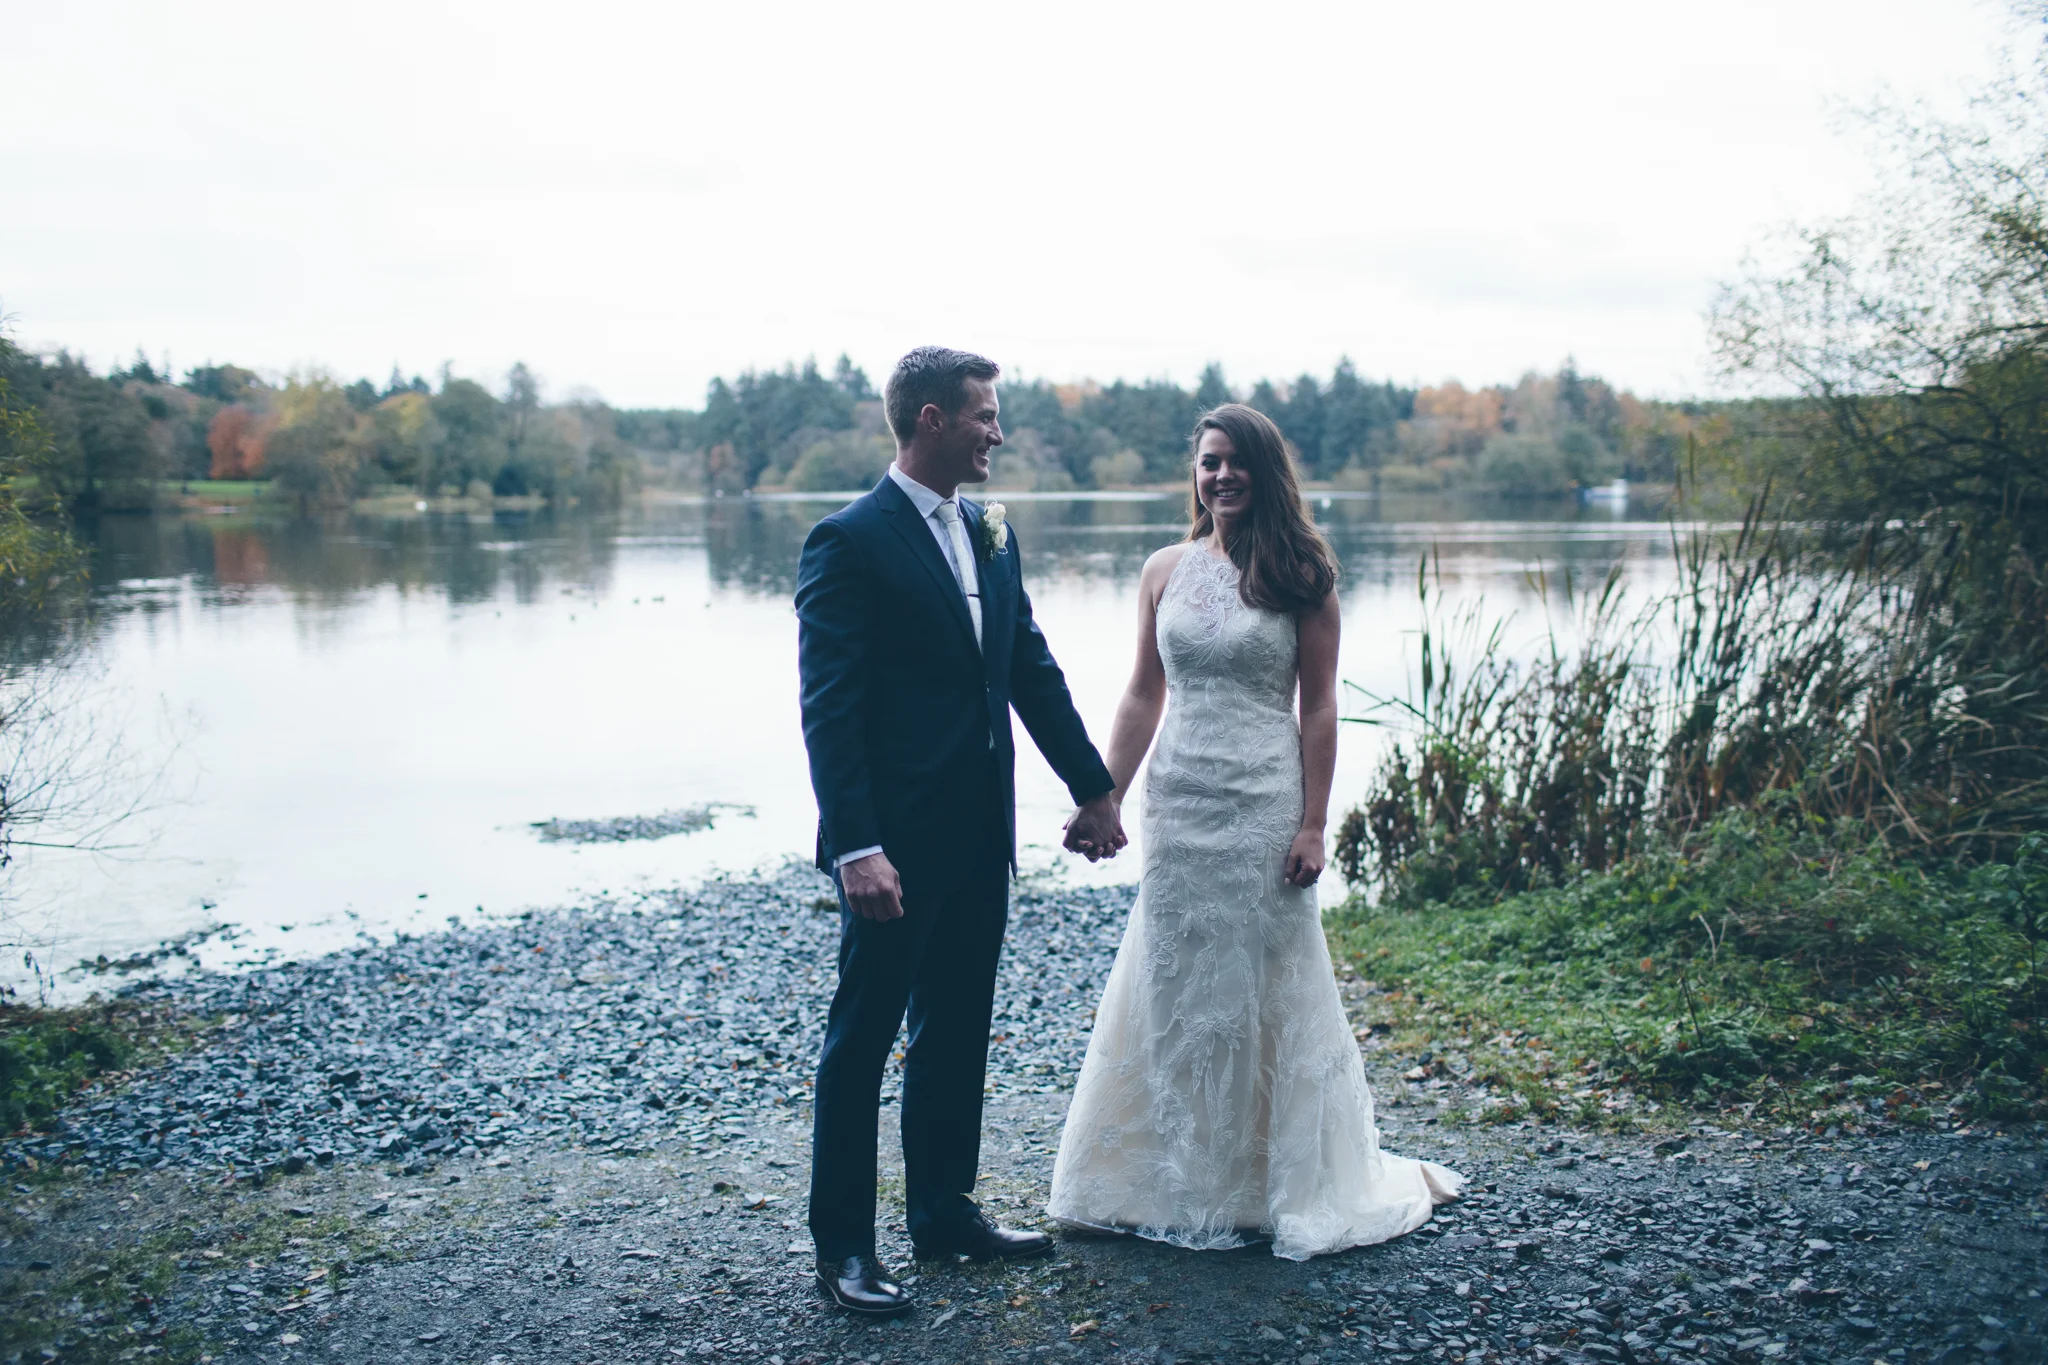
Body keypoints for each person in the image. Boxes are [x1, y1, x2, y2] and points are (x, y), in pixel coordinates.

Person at [1046, 403, 1464, 1260]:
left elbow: (1320, 706)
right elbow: (1142, 694)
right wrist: (1106, 796)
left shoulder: (1302, 573)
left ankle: (1268, 1180)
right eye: (1208, 462)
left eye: (1236, 461)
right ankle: (1164, 1178)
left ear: (1265, 471)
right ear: (1194, 474)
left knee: (1263, 980)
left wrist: (1313, 821)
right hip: (1181, 799)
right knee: (1176, 980)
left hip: (1262, 802)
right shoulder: (1162, 569)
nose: (1221, 475)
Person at [795, 346, 1126, 1315]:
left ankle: (943, 1212)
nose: (997, 431)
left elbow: (1027, 666)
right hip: (892, 849)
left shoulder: (991, 533)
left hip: (982, 838)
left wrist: (1093, 787)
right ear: (931, 420)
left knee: (956, 1033)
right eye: (984, 415)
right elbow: (829, 707)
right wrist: (856, 846)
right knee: (860, 1043)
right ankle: (844, 1250)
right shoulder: (847, 541)